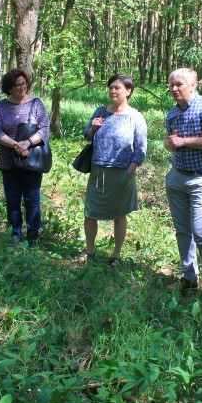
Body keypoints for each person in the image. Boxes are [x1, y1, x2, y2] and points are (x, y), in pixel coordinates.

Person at [164, 68, 202, 304]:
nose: (174, 89)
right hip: (178, 177)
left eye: (179, 84)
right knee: (182, 231)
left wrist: (184, 141)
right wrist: (170, 144)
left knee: (201, 232)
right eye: (171, 85)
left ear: (193, 85)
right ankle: (189, 277)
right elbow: (170, 144)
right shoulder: (172, 114)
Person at [77, 74, 148, 268]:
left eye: (117, 88)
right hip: (98, 169)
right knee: (90, 212)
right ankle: (90, 250)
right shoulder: (100, 111)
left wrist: (130, 171)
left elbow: (140, 149)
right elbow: (87, 136)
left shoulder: (135, 117)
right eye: (110, 88)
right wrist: (92, 129)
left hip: (121, 172)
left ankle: (115, 255)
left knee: (119, 214)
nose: (113, 91)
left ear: (128, 91)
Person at [0, 69, 50, 249]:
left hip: (31, 160)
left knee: (32, 200)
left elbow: (44, 129)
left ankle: (32, 238)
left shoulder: (37, 104)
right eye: (18, 85)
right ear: (9, 87)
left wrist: (27, 143)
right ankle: (15, 236)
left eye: (24, 83)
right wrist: (15, 145)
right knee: (12, 199)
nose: (23, 87)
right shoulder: (1, 106)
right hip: (9, 160)